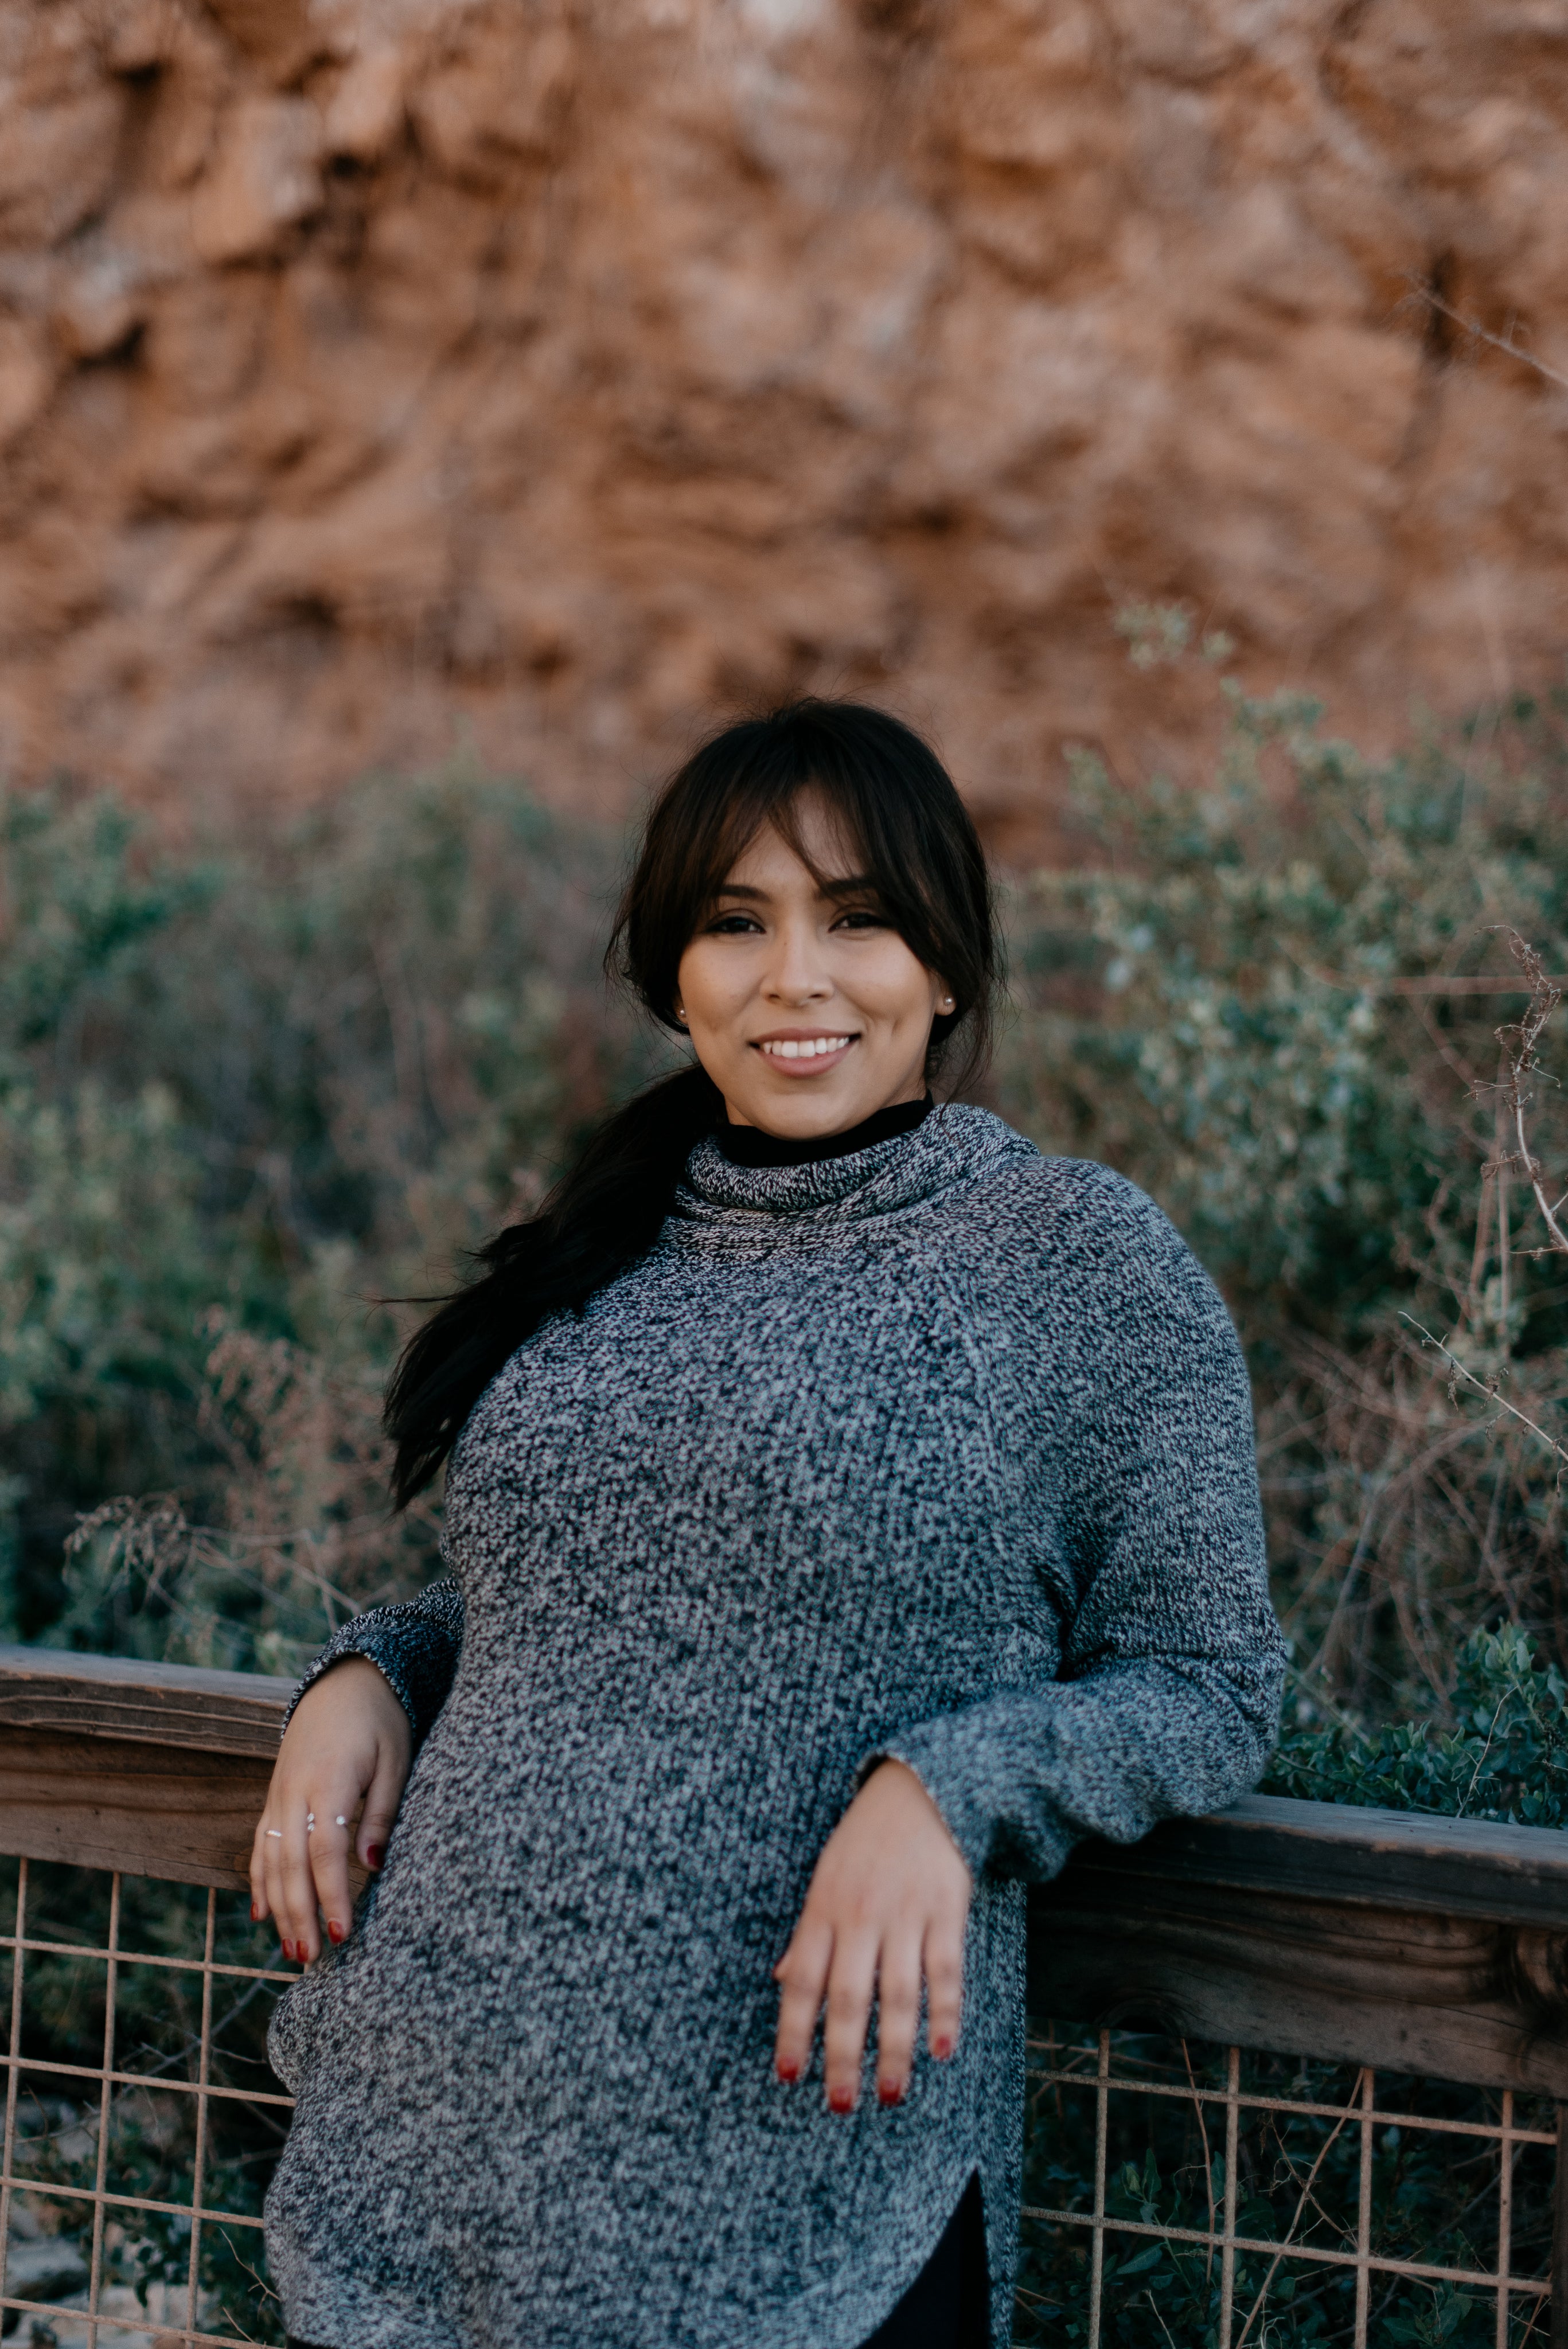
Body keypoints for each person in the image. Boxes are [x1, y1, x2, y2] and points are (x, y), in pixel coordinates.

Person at [254, 699, 1284, 2349]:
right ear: (675, 976)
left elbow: (1207, 1680)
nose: (796, 975)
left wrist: (947, 1792)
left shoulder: (1071, 1263)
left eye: (859, 918)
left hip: (806, 2211)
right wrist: (372, 1670)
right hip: (432, 2153)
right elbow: (578, 1606)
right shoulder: (602, 1252)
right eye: (738, 924)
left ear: (948, 966)